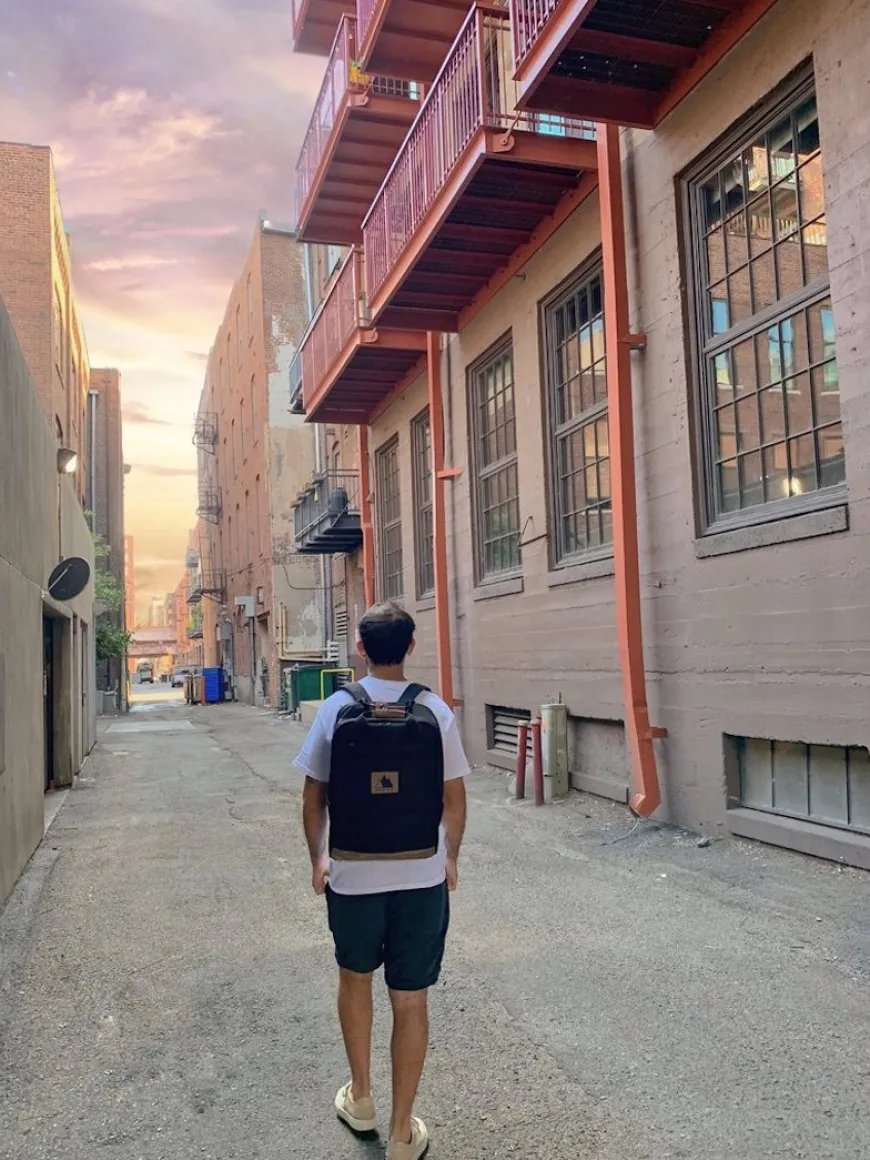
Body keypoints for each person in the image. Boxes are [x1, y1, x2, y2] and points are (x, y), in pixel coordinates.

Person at [296, 602, 468, 1160]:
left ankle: (362, 1097)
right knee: (410, 1000)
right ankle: (400, 1134)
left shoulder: (335, 708)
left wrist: (319, 860)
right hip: (421, 876)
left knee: (355, 979)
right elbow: (454, 800)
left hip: (352, 875)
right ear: (411, 646)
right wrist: (449, 858)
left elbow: (313, 798)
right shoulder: (435, 711)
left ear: (361, 648)